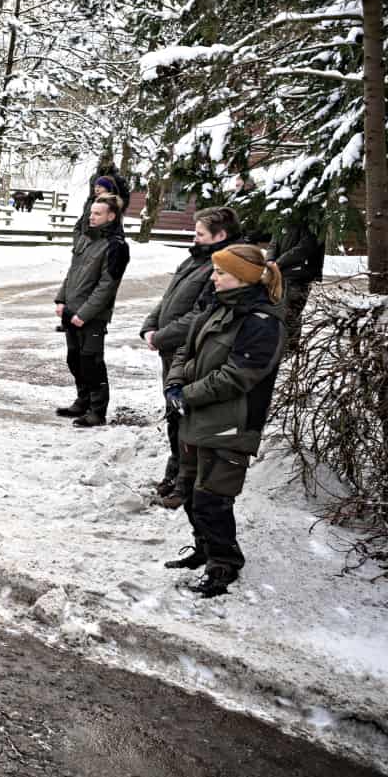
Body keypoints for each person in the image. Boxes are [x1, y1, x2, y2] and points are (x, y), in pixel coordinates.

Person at [163, 244, 286, 598]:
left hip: (230, 423)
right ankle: (203, 549)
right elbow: (186, 349)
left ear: (243, 277)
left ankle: (224, 562)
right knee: (189, 491)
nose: (214, 277)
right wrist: (174, 383)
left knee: (212, 499)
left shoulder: (262, 323)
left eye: (221, 272)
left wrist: (187, 394)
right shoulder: (217, 307)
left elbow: (236, 376)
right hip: (197, 418)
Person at [140, 206, 239, 505]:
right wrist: (150, 326)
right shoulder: (195, 258)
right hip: (172, 351)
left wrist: (162, 335)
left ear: (220, 235)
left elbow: (201, 315)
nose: (193, 238)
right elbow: (169, 297)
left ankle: (185, 484)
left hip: (190, 352)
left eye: (200, 234)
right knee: (174, 418)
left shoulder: (224, 267)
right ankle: (174, 475)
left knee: (186, 420)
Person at [54, 194, 130, 427]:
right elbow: (72, 271)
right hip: (71, 311)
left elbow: (107, 286)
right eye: (91, 212)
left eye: (97, 213)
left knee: (92, 363)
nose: (92, 217)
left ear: (111, 216)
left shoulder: (116, 246)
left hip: (92, 317)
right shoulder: (86, 238)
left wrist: (84, 314)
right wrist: (61, 299)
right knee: (74, 359)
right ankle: (83, 400)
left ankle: (97, 410)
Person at [268, 219, 326, 351]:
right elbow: (273, 243)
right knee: (280, 311)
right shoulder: (283, 220)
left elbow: (306, 247)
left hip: (300, 275)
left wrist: (279, 262)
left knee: (292, 312)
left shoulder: (311, 221)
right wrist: (270, 260)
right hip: (281, 274)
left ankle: (290, 349)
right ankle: (281, 347)